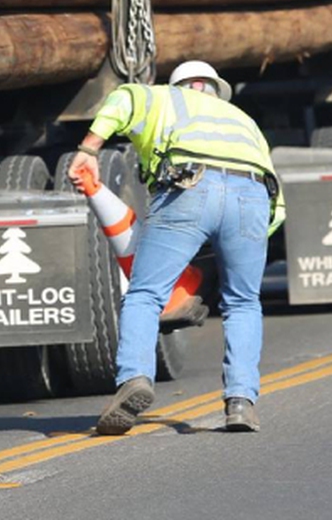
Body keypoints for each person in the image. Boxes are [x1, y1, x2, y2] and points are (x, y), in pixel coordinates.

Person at [69, 60, 283, 435]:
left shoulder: (164, 98)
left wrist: (89, 147)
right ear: (215, 89)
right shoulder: (243, 120)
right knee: (243, 302)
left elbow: (124, 98)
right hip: (252, 197)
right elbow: (276, 207)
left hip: (189, 186)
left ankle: (134, 378)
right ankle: (241, 402)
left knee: (146, 294)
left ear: (180, 83)